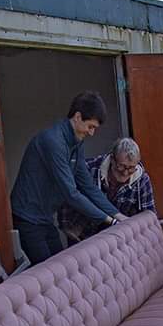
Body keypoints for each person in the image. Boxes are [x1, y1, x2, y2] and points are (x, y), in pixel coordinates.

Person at [10, 91, 126, 264]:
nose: (92, 133)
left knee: (62, 265)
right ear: (77, 117)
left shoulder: (76, 142)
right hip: (28, 218)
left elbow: (87, 186)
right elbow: (71, 193)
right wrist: (109, 220)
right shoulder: (53, 141)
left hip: (46, 217)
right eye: (91, 126)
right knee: (48, 273)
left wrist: (118, 215)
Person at [58, 137, 156, 243]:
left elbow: (149, 215)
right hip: (83, 235)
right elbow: (68, 196)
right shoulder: (88, 169)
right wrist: (67, 226)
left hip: (120, 238)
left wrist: (156, 243)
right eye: (121, 166)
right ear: (112, 159)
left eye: (131, 168)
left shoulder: (142, 180)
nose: (125, 172)